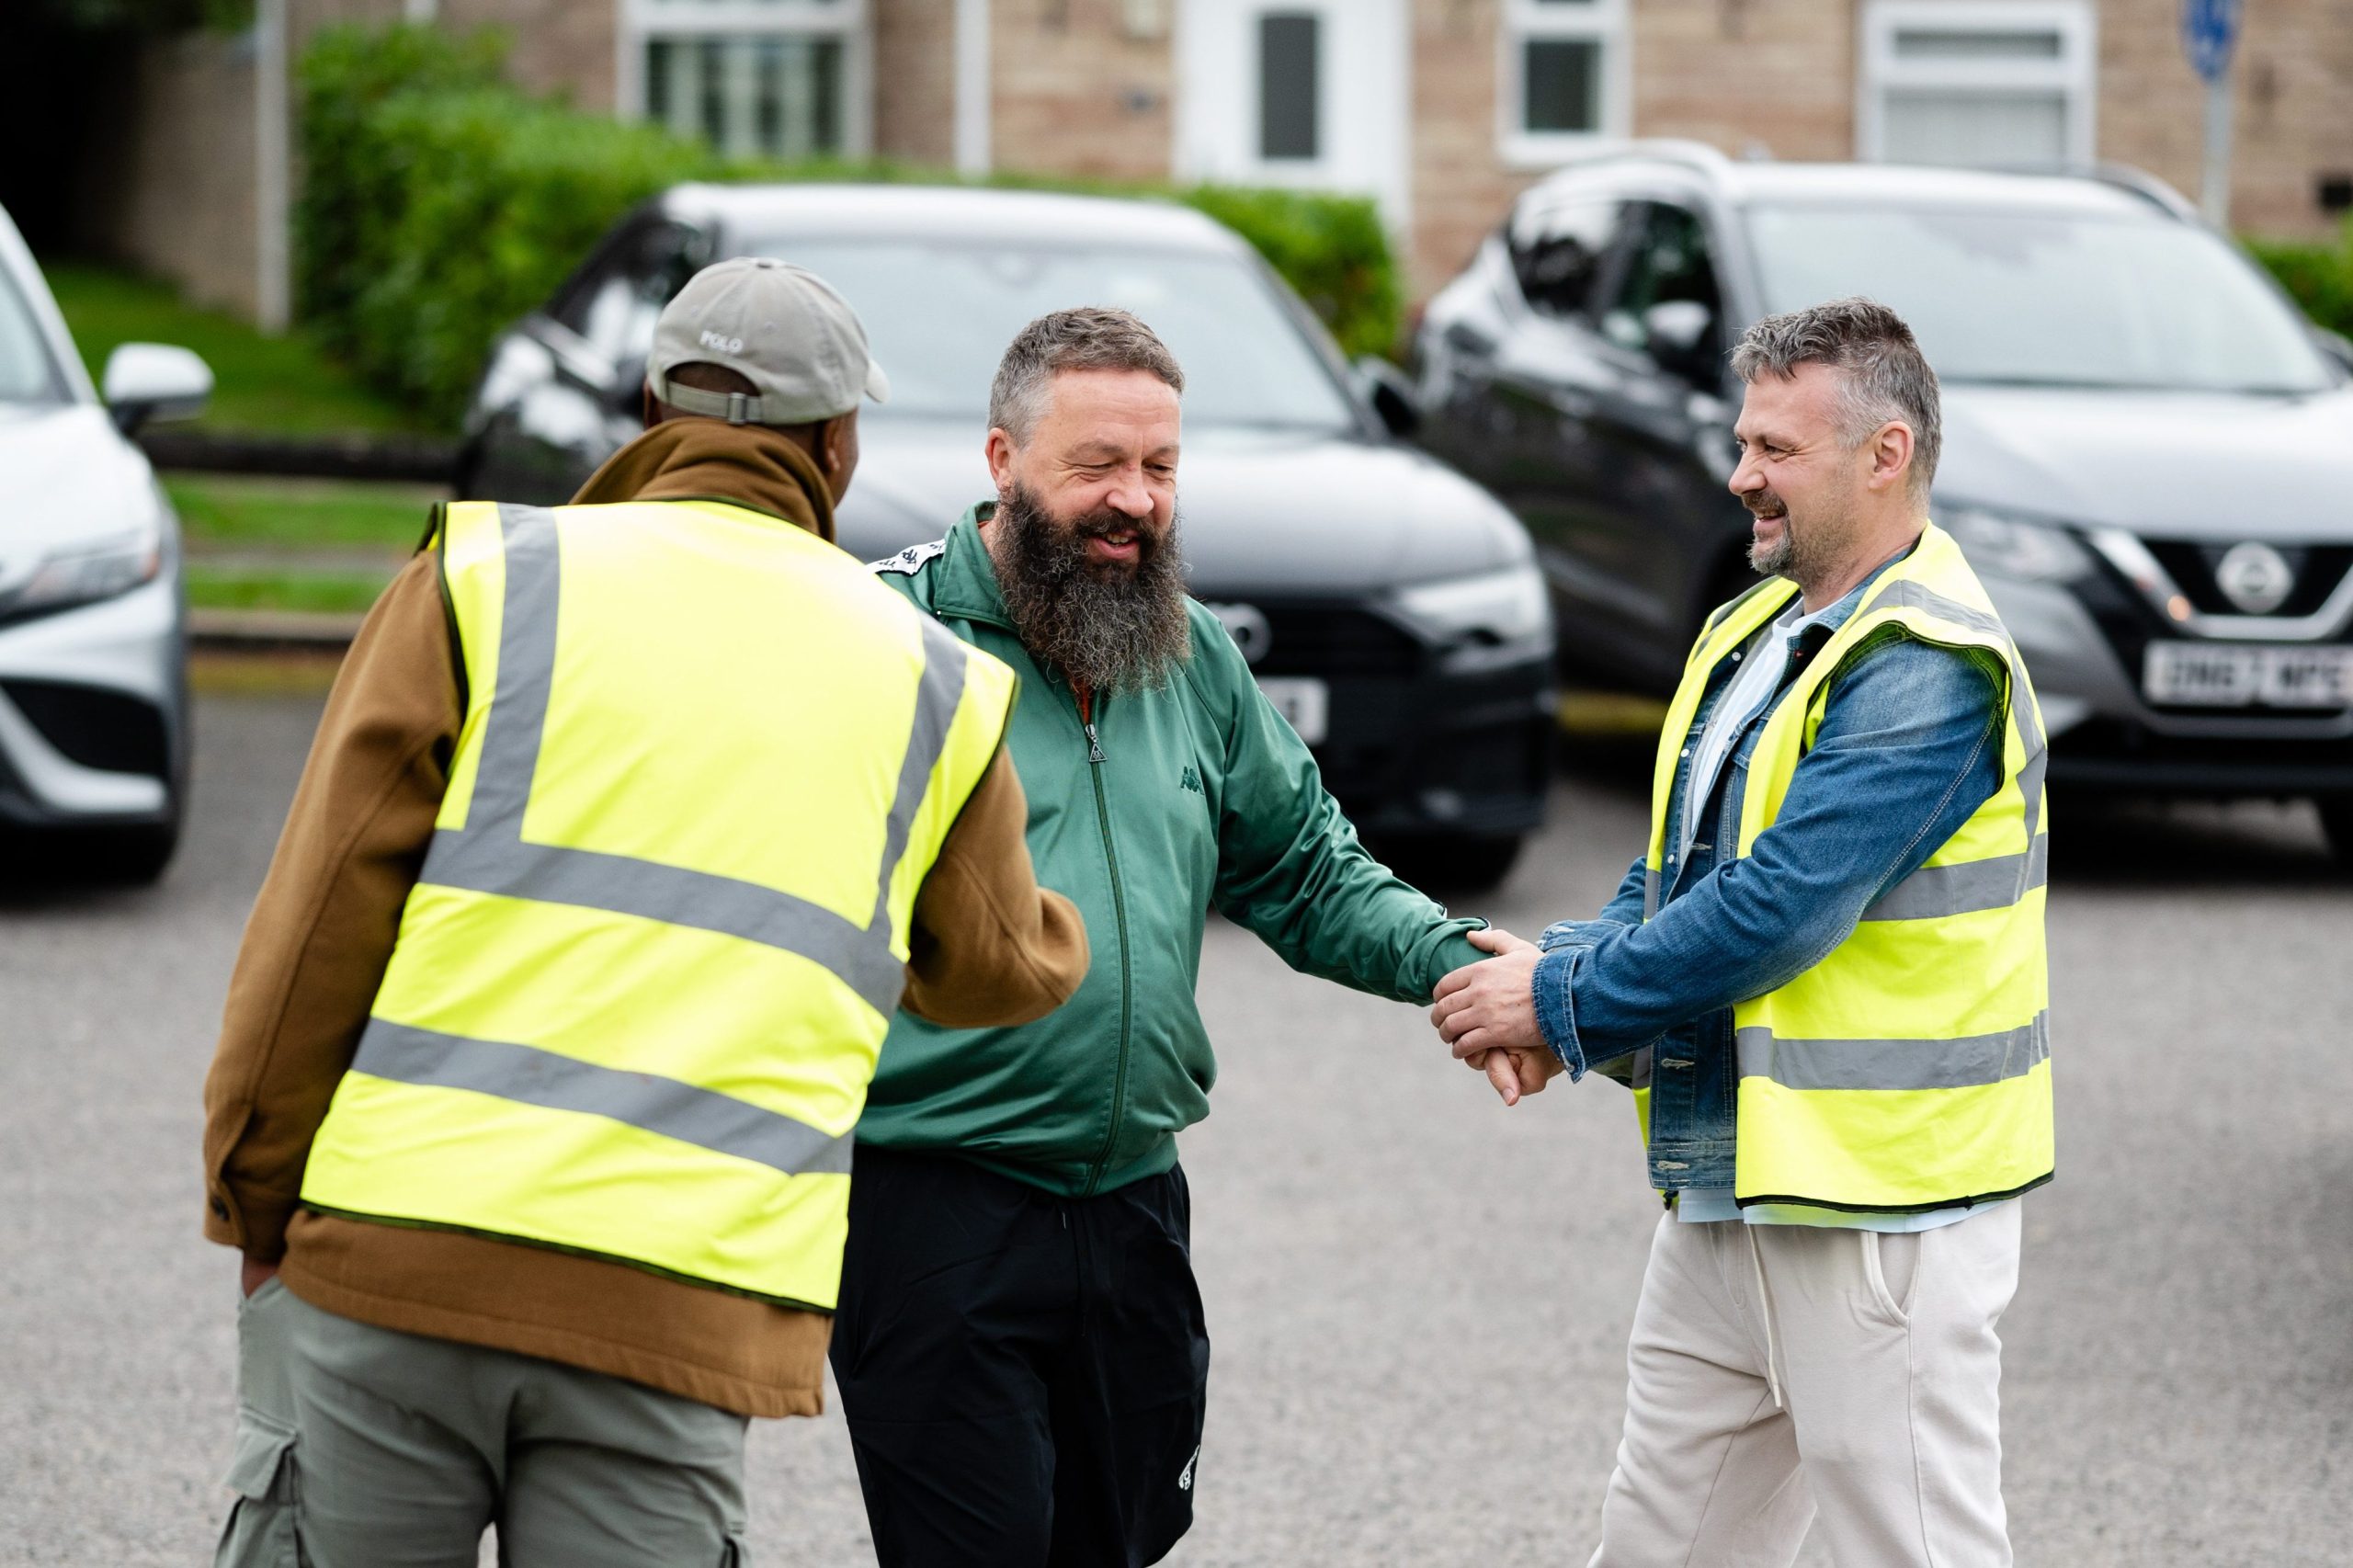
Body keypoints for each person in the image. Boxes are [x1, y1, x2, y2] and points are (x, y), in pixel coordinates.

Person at [198, 258, 1088, 1567]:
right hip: (675, 1309)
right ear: (838, 444)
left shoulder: (487, 578)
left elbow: (313, 928)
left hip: (398, 1261)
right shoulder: (927, 680)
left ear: (657, 408)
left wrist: (253, 1206)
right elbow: (997, 965)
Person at [837, 306, 1513, 1567]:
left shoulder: (1187, 653)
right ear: (1001, 460)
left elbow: (1306, 868)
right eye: (1096, 465)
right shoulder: (893, 644)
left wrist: (1460, 961)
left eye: (1159, 470)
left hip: (1135, 1207)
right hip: (937, 1209)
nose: (1132, 503)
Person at [1435, 297, 2052, 1567]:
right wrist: (1566, 972)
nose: (1739, 475)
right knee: (1660, 1544)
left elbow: (1779, 906)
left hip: (1880, 1212)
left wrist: (1559, 1005)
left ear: (1885, 456)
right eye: (1743, 440)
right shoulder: (1752, 629)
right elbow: (1675, 872)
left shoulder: (1929, 662)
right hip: (1730, 1182)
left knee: (1919, 1549)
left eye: (1776, 448)